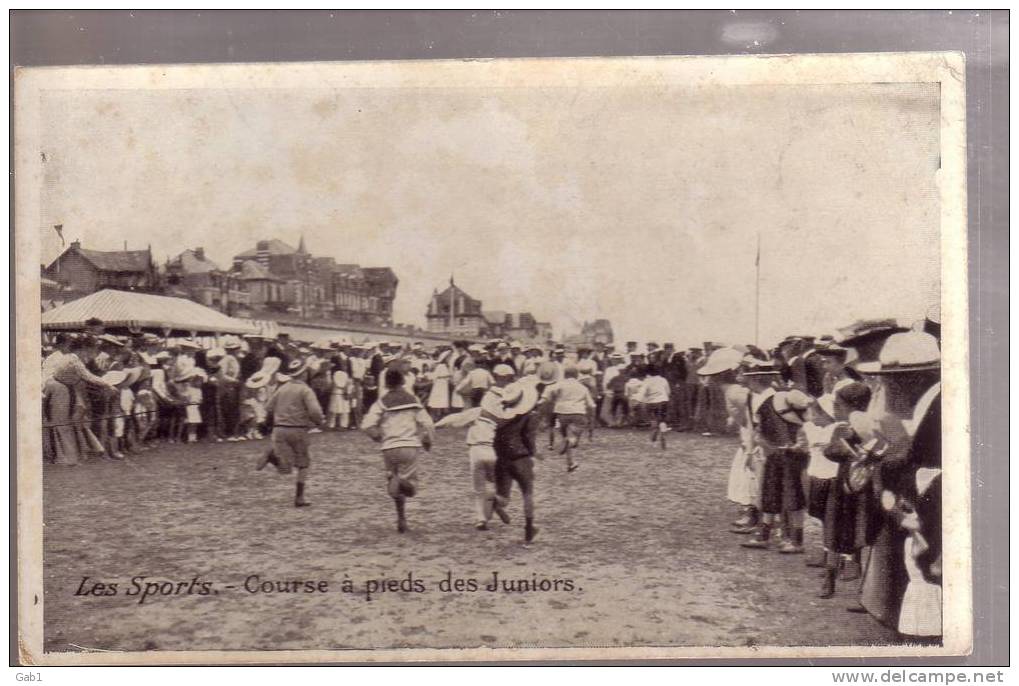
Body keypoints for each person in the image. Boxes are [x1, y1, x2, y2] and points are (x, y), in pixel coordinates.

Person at [360, 368, 436, 533]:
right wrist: (428, 440)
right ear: (403, 381)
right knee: (411, 489)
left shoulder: (382, 401)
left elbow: (366, 424)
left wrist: (376, 436)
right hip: (409, 445)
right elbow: (428, 423)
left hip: (389, 447)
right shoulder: (413, 399)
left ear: (386, 384)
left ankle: (401, 519)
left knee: (394, 486)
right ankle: (401, 481)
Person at [258, 358, 325, 508]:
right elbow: (315, 411)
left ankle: (273, 456)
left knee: (286, 466)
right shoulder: (305, 390)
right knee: (303, 464)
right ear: (304, 373)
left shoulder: (282, 388)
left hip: (279, 429)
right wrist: (319, 421)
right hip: (298, 429)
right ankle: (299, 497)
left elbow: (268, 407)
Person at [464, 364, 516, 530]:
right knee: (497, 485)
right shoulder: (513, 397)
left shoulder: (487, 398)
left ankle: (481, 518)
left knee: (479, 487)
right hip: (496, 445)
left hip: (479, 445)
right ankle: (494, 503)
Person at [494, 375, 543, 543]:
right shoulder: (530, 416)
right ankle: (529, 529)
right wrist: (534, 453)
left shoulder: (500, 417)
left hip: (501, 457)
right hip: (520, 457)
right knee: (528, 493)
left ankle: (493, 501)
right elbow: (529, 437)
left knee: (503, 497)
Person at [542, 363, 596, 472]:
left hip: (561, 413)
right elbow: (592, 405)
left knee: (567, 438)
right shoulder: (582, 387)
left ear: (565, 374)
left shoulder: (559, 384)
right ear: (576, 375)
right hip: (578, 413)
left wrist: (543, 400)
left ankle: (571, 463)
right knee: (573, 440)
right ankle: (570, 442)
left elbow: (547, 391)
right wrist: (591, 418)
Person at [637, 364, 671, 448]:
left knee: (654, 422)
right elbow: (668, 392)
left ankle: (653, 442)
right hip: (664, 401)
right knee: (662, 420)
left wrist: (638, 401)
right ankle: (663, 431)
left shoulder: (647, 381)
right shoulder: (663, 380)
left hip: (652, 402)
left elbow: (642, 393)